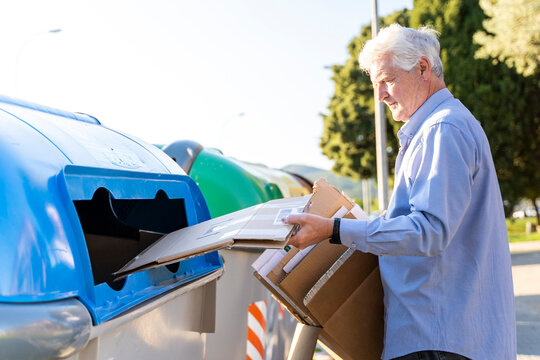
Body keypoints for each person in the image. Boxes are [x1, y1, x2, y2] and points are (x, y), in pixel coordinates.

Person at [285, 24, 516, 360]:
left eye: (387, 80)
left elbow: (428, 231)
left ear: (423, 68)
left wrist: (333, 230)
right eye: (375, 84)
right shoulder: (439, 128)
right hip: (440, 339)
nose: (379, 95)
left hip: (437, 341)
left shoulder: (443, 129)